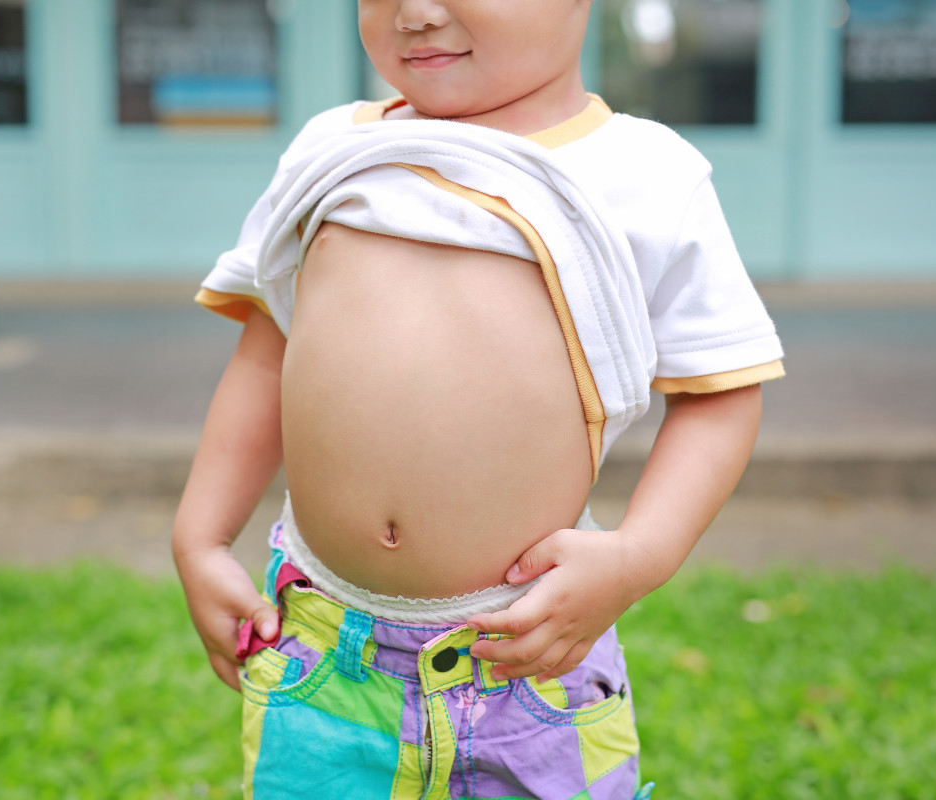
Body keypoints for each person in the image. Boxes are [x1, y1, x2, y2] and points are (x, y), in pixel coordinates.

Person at [172, 1, 784, 798]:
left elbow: (721, 395)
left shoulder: (645, 174)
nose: (417, 12)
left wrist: (640, 556)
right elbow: (268, 353)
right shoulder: (334, 150)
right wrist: (202, 535)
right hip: (323, 651)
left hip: (527, 662)